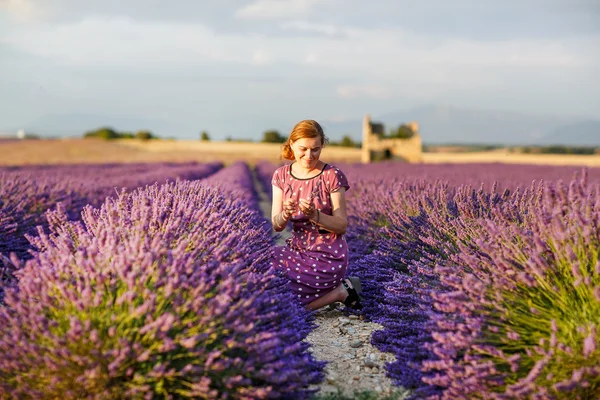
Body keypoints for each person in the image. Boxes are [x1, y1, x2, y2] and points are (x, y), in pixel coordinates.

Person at [270, 119, 362, 310]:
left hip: (326, 257)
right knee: (260, 263)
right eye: (303, 149)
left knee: (281, 304)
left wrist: (315, 215)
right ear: (292, 144)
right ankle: (340, 293)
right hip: (296, 251)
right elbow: (276, 225)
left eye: (316, 149)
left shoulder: (332, 175)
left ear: (322, 147)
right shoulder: (281, 176)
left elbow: (341, 225)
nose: (309, 155)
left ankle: (336, 293)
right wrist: (285, 214)